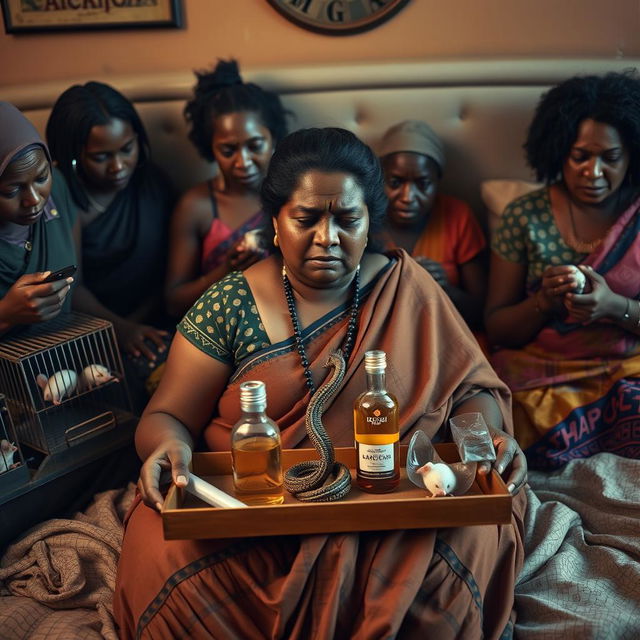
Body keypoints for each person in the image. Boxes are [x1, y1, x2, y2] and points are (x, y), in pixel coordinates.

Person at [114, 127, 527, 639]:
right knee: (166, 556)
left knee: (469, 541)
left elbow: (471, 393)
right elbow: (166, 415)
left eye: (348, 220)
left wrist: (485, 441)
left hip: (392, 502)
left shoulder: (405, 286)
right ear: (276, 221)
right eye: (307, 218)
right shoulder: (229, 304)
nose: (328, 238)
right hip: (257, 510)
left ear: (369, 221)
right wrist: (168, 447)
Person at [485, 71, 640, 471]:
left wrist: (613, 306)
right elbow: (498, 328)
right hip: (543, 376)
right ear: (558, 151)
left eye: (611, 157)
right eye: (581, 156)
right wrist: (543, 302)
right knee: (494, 413)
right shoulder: (524, 216)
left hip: (629, 370)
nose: (594, 172)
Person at [46, 82, 175, 408]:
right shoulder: (59, 193)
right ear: (73, 153)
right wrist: (122, 329)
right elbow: (70, 285)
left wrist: (143, 326)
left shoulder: (150, 182)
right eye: (101, 156)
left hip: (155, 321)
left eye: (127, 149)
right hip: (89, 332)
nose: (118, 166)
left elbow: (170, 269)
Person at [164, 59, 289, 318]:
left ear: (273, 139)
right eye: (228, 150)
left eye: (255, 146)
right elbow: (173, 304)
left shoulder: (292, 196)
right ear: (210, 148)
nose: (243, 162)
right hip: (217, 328)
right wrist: (225, 270)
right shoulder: (196, 206)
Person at [378, 120, 487, 329]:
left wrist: (444, 288)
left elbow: (481, 314)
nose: (408, 196)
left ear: (437, 182)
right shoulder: (362, 220)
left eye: (423, 183)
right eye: (395, 182)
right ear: (379, 179)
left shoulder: (457, 215)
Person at [0, 101, 76, 336]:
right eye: (12, 191)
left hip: (65, 355)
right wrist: (5, 313)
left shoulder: (59, 189)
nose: (34, 200)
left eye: (42, 178)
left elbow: (79, 285)